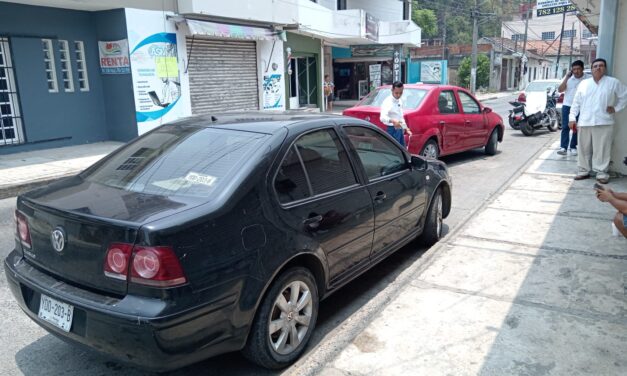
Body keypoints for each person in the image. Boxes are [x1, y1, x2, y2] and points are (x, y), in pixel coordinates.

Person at [569, 58, 627, 183]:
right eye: (595, 66)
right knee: (583, 148)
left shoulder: (613, 82)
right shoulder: (584, 84)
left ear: (604, 68)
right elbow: (576, 103)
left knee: (602, 149)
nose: (598, 68)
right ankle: (583, 170)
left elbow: (624, 96)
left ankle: (601, 172)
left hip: (604, 122)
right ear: (591, 68)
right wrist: (572, 118)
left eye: (601, 66)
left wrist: (616, 108)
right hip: (585, 121)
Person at [557, 60, 588, 156]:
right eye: (574, 69)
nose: (576, 71)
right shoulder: (568, 79)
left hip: (581, 106)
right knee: (566, 126)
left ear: (582, 69)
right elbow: (560, 89)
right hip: (567, 105)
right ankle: (563, 147)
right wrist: (566, 77)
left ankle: (573, 146)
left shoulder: (588, 79)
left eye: (578, 69)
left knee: (577, 127)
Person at [380, 81, 412, 147]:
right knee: (394, 151)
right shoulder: (387, 102)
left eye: (400, 93)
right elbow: (382, 117)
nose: (398, 95)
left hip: (399, 129)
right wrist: (393, 121)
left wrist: (406, 128)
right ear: (392, 90)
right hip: (391, 129)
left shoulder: (400, 101)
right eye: (396, 93)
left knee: (402, 151)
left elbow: (400, 117)